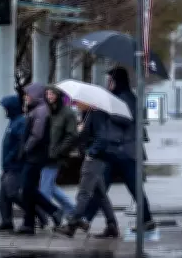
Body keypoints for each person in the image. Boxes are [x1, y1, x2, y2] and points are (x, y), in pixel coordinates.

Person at [81, 67, 156, 238]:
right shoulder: (120, 97)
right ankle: (88, 219)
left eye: (110, 80)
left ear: (117, 81)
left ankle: (146, 220)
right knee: (101, 186)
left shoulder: (127, 98)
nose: (108, 84)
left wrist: (108, 108)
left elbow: (125, 118)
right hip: (115, 151)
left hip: (126, 152)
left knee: (132, 188)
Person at [54, 101, 117, 237]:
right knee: (100, 195)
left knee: (83, 193)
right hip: (95, 159)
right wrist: (80, 130)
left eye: (79, 102)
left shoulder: (97, 114)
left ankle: (72, 225)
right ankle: (112, 225)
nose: (77, 104)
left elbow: (102, 138)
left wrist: (91, 153)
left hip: (94, 159)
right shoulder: (88, 114)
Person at [0, 94, 48, 232]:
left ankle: (38, 212)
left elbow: (19, 145)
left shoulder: (20, 122)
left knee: (12, 193)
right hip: (8, 165)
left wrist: (11, 158)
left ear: (12, 108)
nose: (5, 111)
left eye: (6, 108)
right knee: (4, 195)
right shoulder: (13, 122)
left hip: (15, 165)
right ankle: (6, 221)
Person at [17, 82, 63, 235]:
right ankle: (29, 222)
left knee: (27, 188)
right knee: (28, 189)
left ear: (35, 95)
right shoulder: (37, 109)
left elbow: (37, 134)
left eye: (28, 94)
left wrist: (25, 148)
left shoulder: (41, 111)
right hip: (34, 155)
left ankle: (52, 210)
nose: (26, 97)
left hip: (35, 156)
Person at [39, 86, 77, 215]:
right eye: (47, 94)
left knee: (45, 188)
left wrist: (59, 150)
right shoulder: (48, 112)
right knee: (49, 186)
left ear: (58, 95)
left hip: (55, 156)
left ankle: (44, 215)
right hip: (45, 154)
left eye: (52, 94)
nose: (49, 96)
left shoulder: (67, 113)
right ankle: (73, 212)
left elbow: (71, 135)